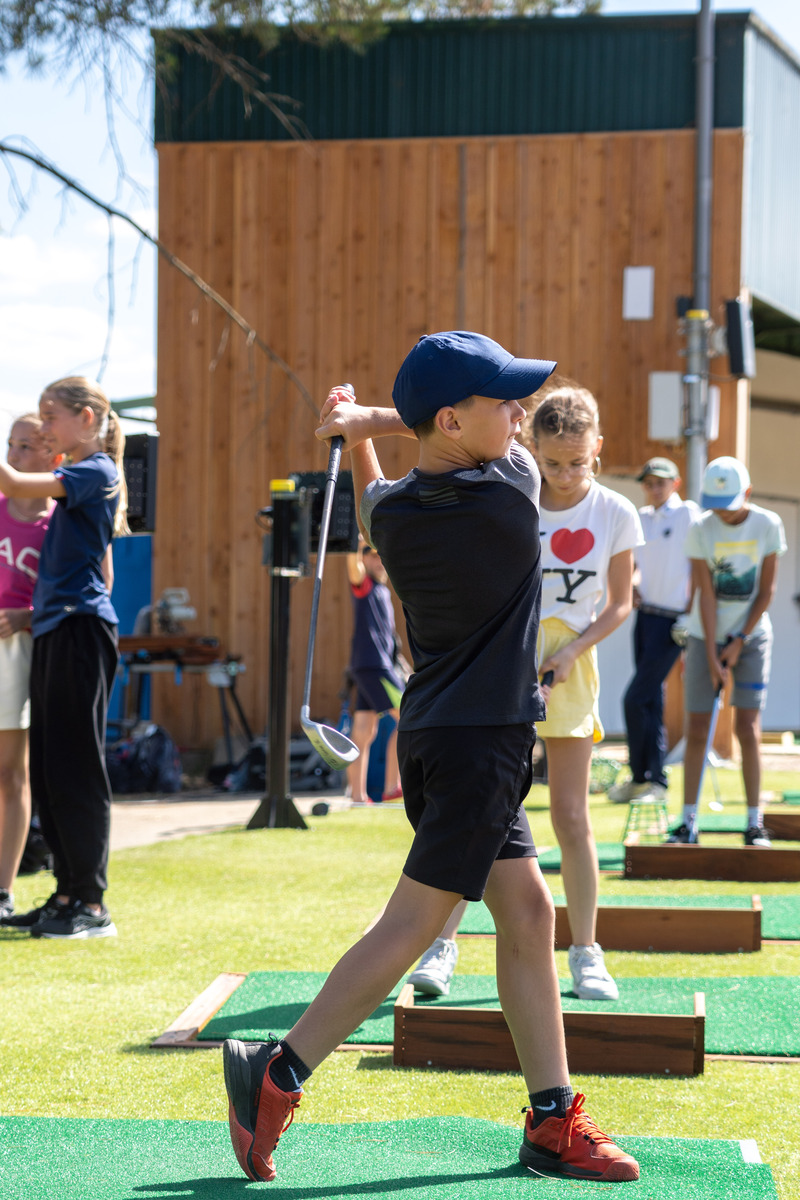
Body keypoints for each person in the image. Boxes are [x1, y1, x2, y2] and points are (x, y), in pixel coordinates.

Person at [222, 332, 640, 1186]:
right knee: (414, 925)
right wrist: (365, 420)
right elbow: (442, 452)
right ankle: (277, 1073)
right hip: (484, 742)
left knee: (526, 914)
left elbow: (383, 484)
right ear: (451, 419)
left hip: (441, 736)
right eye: (506, 404)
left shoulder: (397, 516)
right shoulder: (512, 494)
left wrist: (360, 432)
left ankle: (552, 1118)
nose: (521, 418)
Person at [407, 381, 643, 1003]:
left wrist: (570, 652)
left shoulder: (617, 512)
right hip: (498, 662)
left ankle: (587, 951)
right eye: (553, 462)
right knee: (471, 812)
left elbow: (620, 604)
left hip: (570, 668)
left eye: (578, 462)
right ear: (530, 447)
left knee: (570, 816)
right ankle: (440, 945)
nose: (564, 476)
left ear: (598, 450)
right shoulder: (514, 492)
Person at [0, 377, 127, 939]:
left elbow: (11, 480)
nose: (45, 427)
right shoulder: (80, 472)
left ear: (86, 417)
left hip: (81, 630)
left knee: (77, 768)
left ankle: (92, 905)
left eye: (51, 417)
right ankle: (67, 892)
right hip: (54, 629)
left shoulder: (95, 470)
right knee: (52, 768)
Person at [667, 456, 785, 848]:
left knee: (747, 728)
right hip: (705, 635)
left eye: (729, 504)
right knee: (697, 727)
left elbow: (766, 592)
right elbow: (705, 595)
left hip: (752, 635)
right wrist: (715, 653)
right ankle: (687, 824)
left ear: (747, 494)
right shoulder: (701, 528)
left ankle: (755, 823)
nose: (722, 513)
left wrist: (737, 643)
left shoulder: (768, 524)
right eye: (715, 504)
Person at [608, 458, 699, 803]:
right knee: (650, 699)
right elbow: (635, 564)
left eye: (660, 482)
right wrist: (631, 584)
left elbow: (698, 566)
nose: (654, 488)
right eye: (648, 482)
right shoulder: (642, 517)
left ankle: (646, 777)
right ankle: (650, 780)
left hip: (675, 621)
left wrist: (692, 616)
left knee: (633, 698)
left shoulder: (688, 513)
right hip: (645, 616)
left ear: (675, 483)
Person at [0, 415, 58, 920]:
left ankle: (4, 889)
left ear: (52, 456)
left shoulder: (59, 521)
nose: (15, 455)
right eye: (10, 444)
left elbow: (88, 590)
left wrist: (26, 616)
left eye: (26, 446)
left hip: (21, 653)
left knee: (11, 773)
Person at [345, 536, 404, 804]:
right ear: (364, 558)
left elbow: (390, 641)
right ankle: (393, 787)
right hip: (374, 666)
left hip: (372, 667)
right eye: (372, 555)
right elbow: (352, 569)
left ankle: (358, 797)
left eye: (382, 556)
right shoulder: (364, 585)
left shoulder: (383, 591)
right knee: (409, 719)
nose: (379, 561)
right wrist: (353, 546)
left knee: (364, 731)